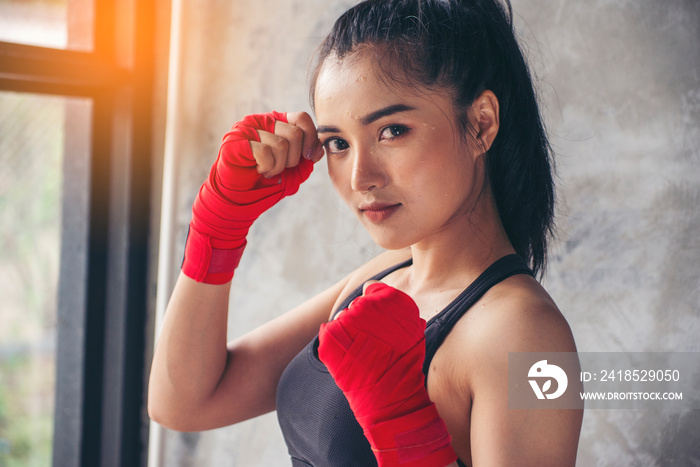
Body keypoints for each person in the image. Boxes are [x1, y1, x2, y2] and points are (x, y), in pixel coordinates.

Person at [148, 0, 583, 465]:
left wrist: (406, 431)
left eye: (392, 131)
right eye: (338, 143)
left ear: (481, 123)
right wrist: (217, 228)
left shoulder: (529, 335)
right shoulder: (383, 277)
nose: (360, 178)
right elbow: (185, 402)